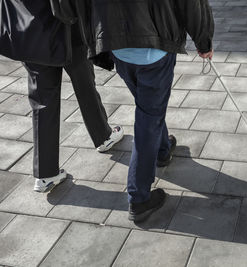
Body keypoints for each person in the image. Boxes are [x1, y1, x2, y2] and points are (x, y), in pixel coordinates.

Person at [84, 0, 214, 222]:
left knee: (148, 109)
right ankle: (139, 197)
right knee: (148, 118)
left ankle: (163, 150)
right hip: (153, 47)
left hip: (118, 45)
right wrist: (203, 42)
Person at [19, 5, 125, 193]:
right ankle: (103, 136)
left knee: (43, 101)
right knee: (84, 81)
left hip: (30, 31)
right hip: (66, 27)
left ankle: (45, 174)